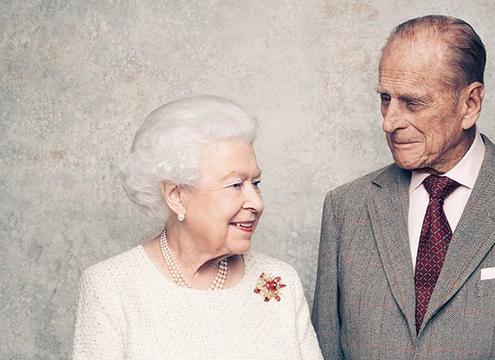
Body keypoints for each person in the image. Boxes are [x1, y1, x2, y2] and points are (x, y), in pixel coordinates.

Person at [312, 15, 495, 359]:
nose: (389, 121)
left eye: (413, 102)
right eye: (385, 98)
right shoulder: (345, 209)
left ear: (470, 104)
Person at [72, 95, 323, 359]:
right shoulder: (111, 287)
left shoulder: (280, 280)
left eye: (256, 183)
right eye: (235, 185)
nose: (256, 203)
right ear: (177, 196)